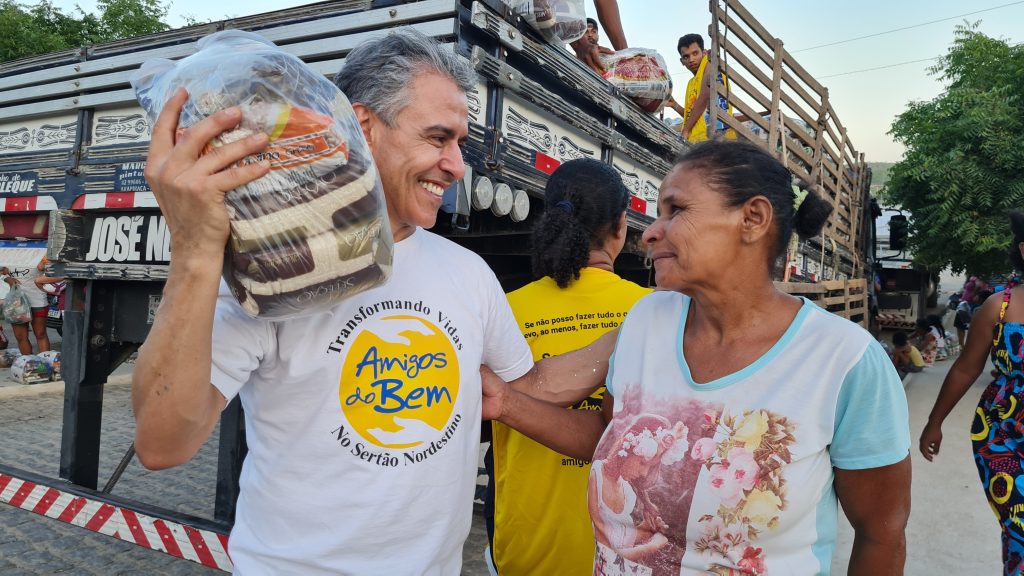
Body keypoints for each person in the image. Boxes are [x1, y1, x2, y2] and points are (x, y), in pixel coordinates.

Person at [132, 29, 612, 574]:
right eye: (437, 138)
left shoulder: (468, 273)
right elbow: (162, 442)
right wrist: (196, 252)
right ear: (363, 128)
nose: (457, 166)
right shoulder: (276, 267)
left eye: (460, 144)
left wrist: (640, 331)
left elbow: (521, 390)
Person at [483, 140, 911, 574]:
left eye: (677, 210)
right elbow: (609, 436)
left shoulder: (844, 361)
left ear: (753, 219)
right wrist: (505, 403)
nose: (650, 231)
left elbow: (881, 533)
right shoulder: (646, 320)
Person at [487, 158, 651, 575]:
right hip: (624, 555)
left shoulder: (505, 309)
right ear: (621, 227)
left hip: (526, 547)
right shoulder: (652, 315)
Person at [920, 212, 1024, 575]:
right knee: (1020, 532)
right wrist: (935, 422)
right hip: (1003, 437)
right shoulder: (1000, 307)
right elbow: (966, 367)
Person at [676, 34, 733, 143]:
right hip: (696, 141)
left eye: (695, 53)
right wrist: (675, 105)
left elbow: (705, 96)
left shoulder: (709, 64)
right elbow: (693, 114)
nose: (691, 59)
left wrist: (685, 130)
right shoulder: (691, 83)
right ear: (682, 61)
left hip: (713, 139)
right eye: (686, 57)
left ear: (704, 53)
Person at [0, 256, 51, 355]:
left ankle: (46, 363)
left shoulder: (41, 252)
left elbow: (51, 270)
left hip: (38, 300)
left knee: (40, 334)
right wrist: (7, 279)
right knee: (21, 337)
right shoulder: (8, 252)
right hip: (16, 302)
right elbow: (1, 272)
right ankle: (29, 366)